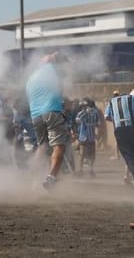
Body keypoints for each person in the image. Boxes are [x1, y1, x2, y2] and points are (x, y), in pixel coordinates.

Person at [26, 52, 71, 189]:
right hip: (52, 111)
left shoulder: (32, 77)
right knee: (59, 146)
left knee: (42, 146)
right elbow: (61, 90)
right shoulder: (54, 69)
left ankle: (33, 177)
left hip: (36, 115)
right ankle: (51, 178)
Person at [75, 98, 101, 177]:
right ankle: (89, 170)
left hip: (84, 137)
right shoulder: (94, 113)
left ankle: (83, 170)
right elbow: (98, 124)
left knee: (83, 154)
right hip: (90, 136)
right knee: (90, 154)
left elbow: (78, 121)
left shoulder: (81, 113)